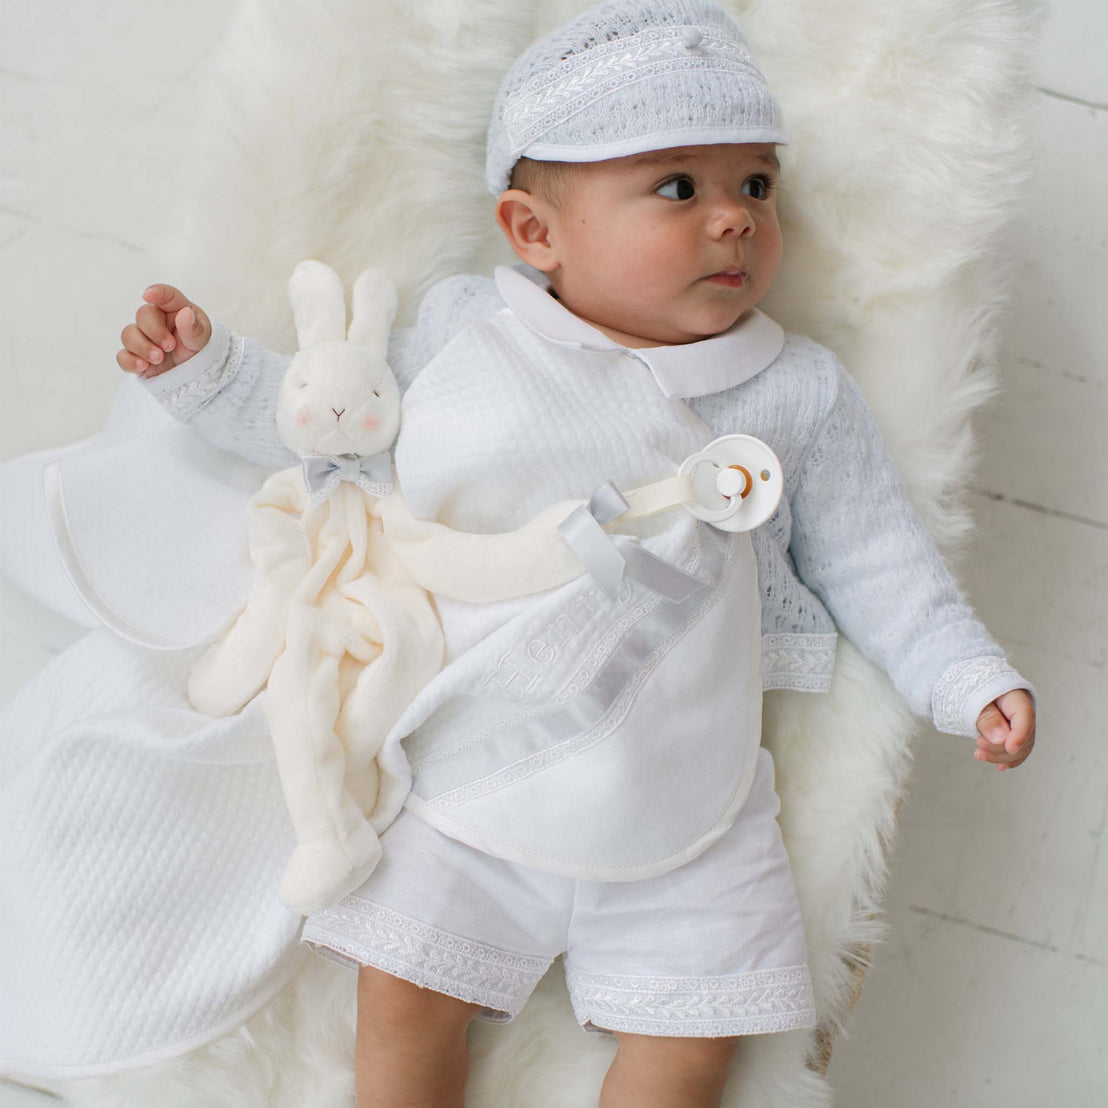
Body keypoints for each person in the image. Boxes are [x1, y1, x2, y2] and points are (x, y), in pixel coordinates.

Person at [93, 0, 1038, 1104]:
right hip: (474, 776)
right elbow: (336, 422)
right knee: (400, 997)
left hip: (693, 805)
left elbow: (882, 562)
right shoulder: (470, 337)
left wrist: (969, 681)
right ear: (535, 232)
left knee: (692, 1044)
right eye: (677, 186)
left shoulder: (792, 390)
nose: (734, 219)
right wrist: (208, 375)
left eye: (755, 185)